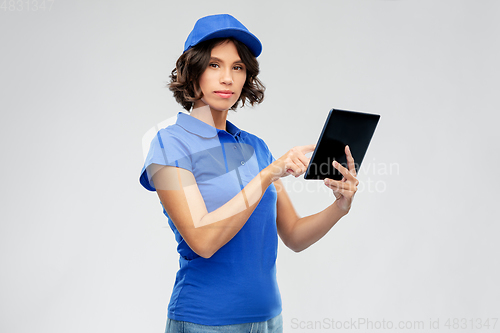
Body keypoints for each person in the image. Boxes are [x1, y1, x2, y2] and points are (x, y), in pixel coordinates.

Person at [139, 14, 359, 333]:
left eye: (237, 67)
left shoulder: (256, 147)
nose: (227, 78)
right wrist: (268, 174)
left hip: (269, 320)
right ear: (193, 71)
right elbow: (202, 240)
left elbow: (294, 235)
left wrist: (339, 208)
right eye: (215, 65)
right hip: (206, 322)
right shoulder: (169, 144)